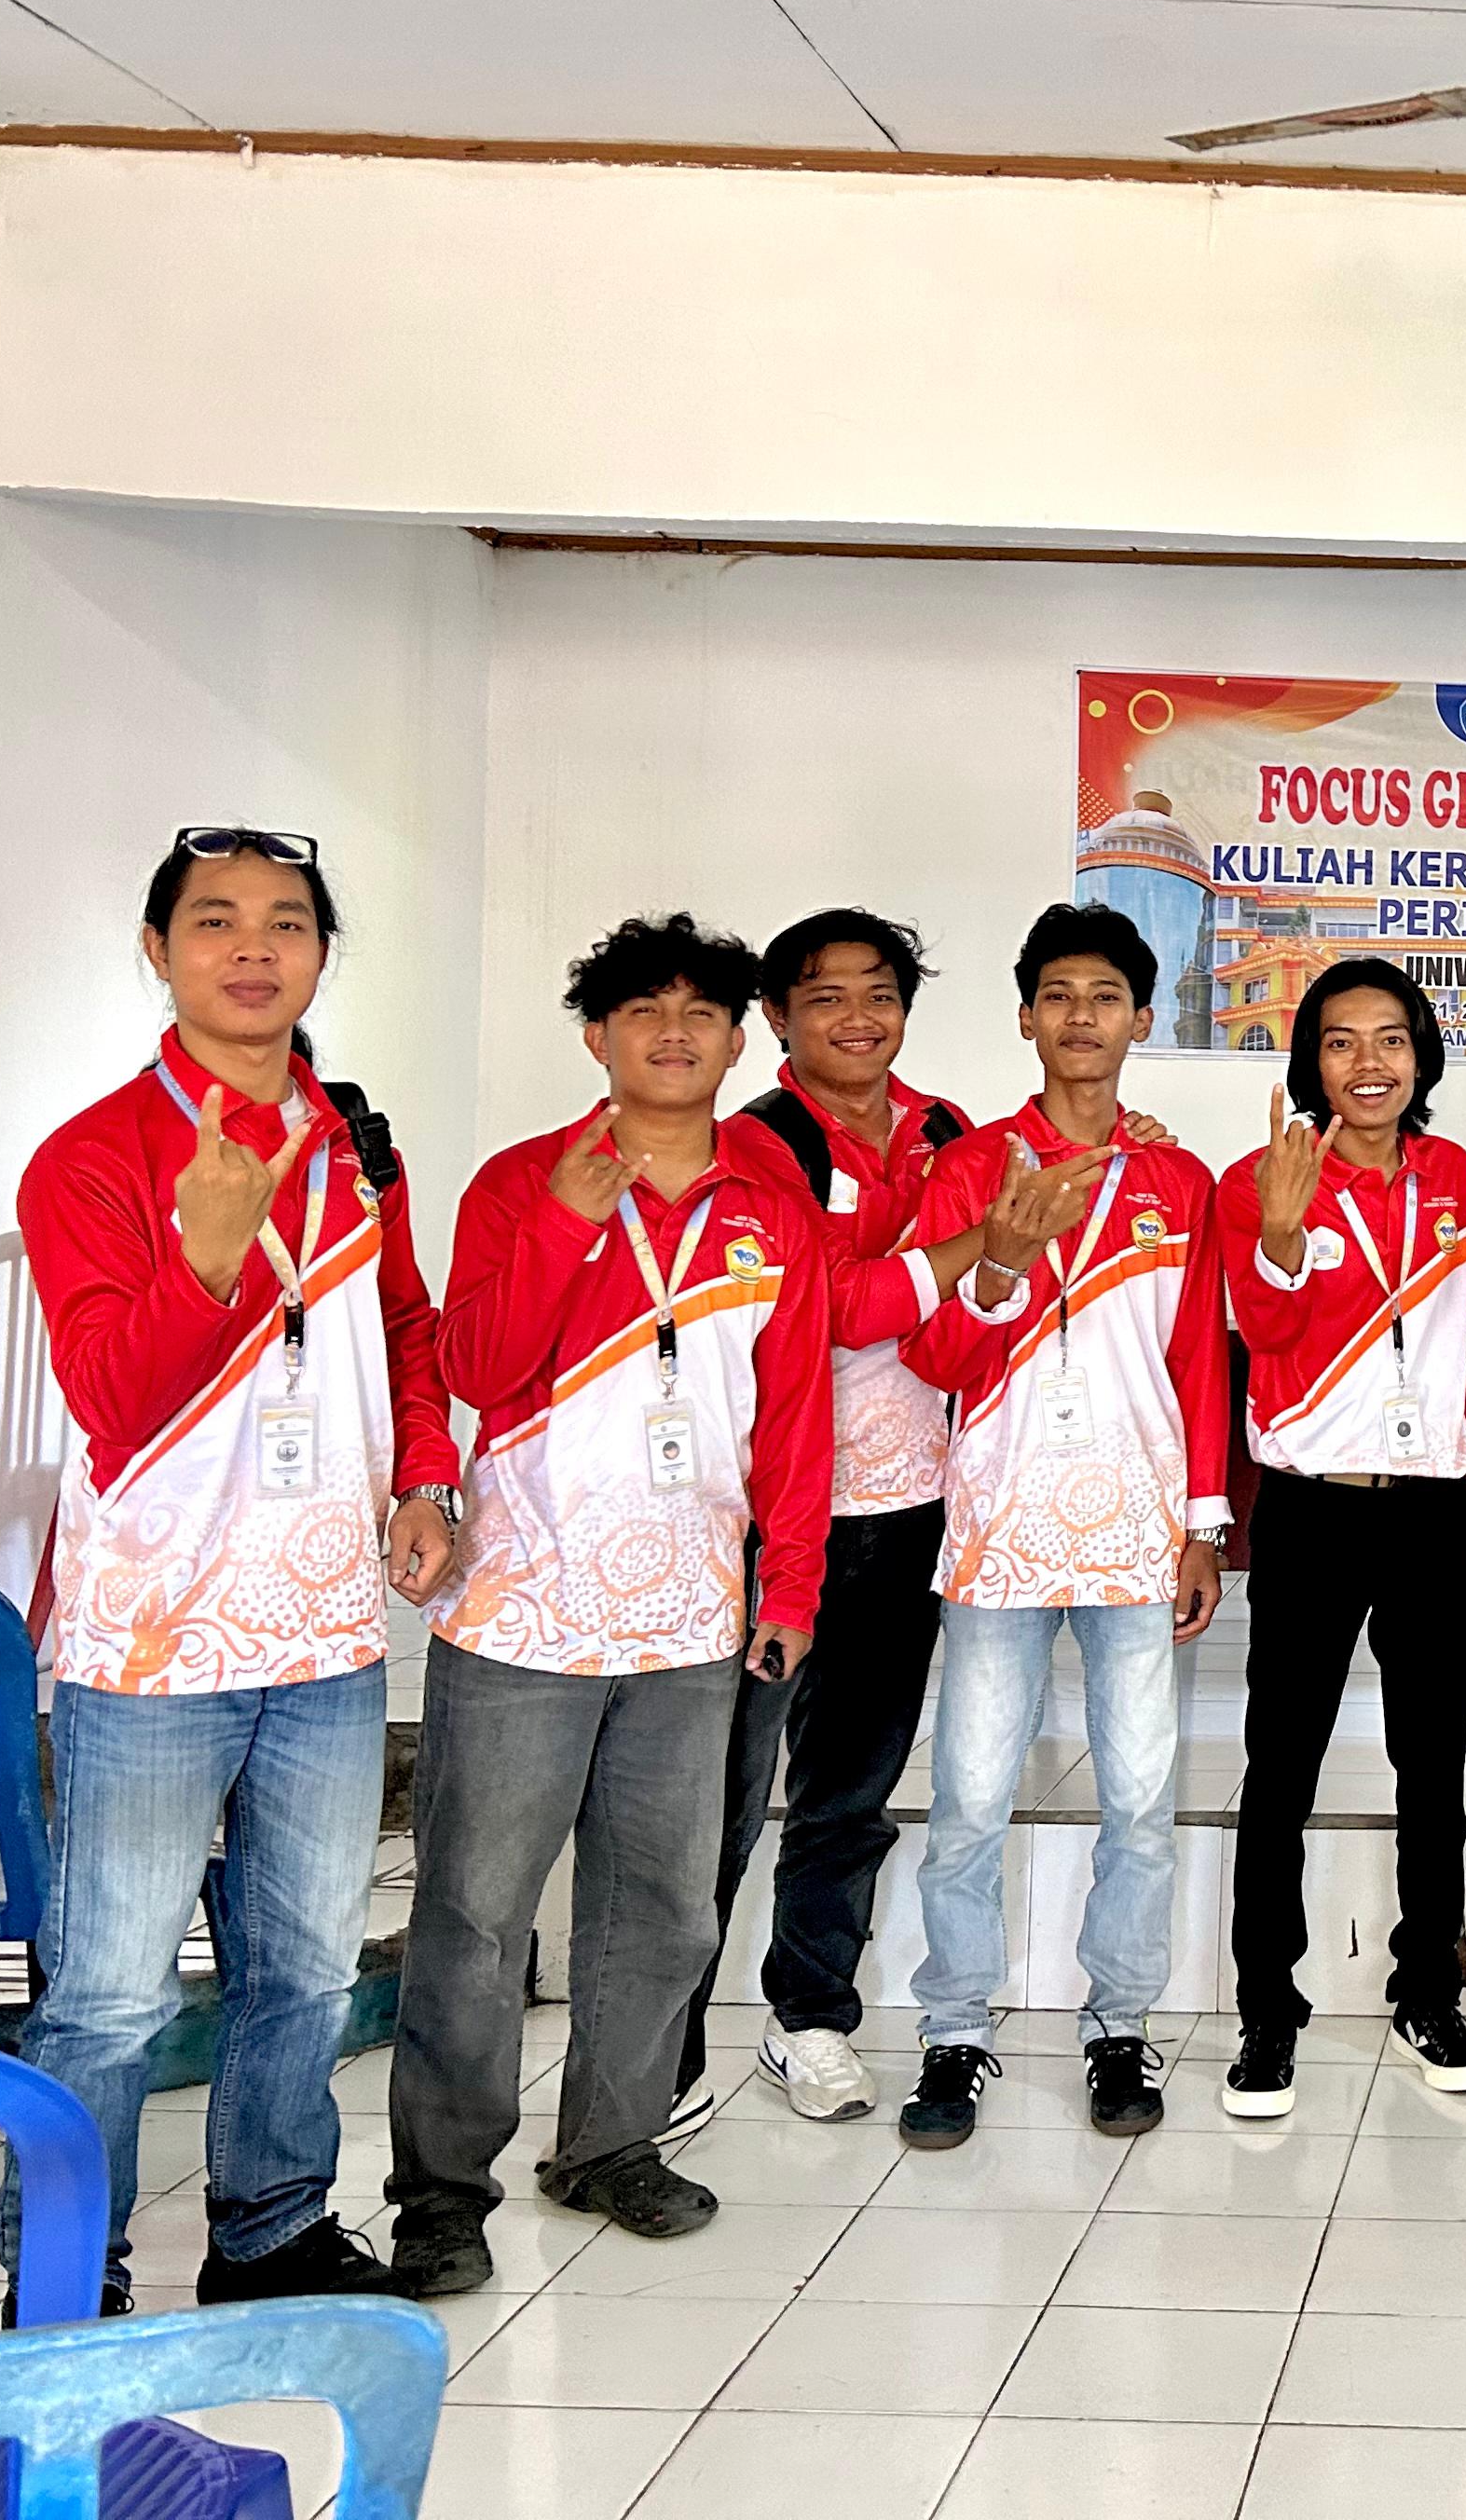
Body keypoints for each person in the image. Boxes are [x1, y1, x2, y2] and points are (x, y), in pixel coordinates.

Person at [12, 827, 459, 2313]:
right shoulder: (90, 1157)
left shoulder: (348, 1143)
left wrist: (424, 1470)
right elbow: (115, 1400)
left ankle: (270, 2235)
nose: (253, 946)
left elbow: (403, 1325)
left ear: (322, 956)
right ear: (158, 950)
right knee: (114, 1995)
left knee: (308, 1973)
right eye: (214, 921)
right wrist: (206, 1256)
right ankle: (70, 2277)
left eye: (286, 922)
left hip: (328, 1631)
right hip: (152, 1647)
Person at [387, 914, 833, 2295]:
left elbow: (797, 1414)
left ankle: (608, 2146)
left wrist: (794, 1584)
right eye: (645, 1011)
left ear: (741, 1038)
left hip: (692, 1621)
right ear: (597, 1035)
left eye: (705, 1012)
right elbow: (475, 1362)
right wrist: (571, 1234)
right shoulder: (528, 1183)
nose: (677, 1033)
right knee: (473, 1912)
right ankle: (442, 2191)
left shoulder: (770, 1207)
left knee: (661, 1909)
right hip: (521, 1611)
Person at [894, 902, 1231, 2145]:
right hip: (1001, 1531)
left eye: (1106, 996)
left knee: (1141, 1799)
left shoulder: (1178, 1179)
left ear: (1142, 1020)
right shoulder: (975, 1165)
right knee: (972, 1799)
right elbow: (931, 1346)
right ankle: (953, 2033)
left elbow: (1203, 1361)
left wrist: (1205, 1525)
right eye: (1059, 995)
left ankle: (1120, 2027)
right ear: (1027, 1016)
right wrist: (995, 1263)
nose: (1081, 1017)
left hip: (1141, 1537)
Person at [671, 910, 978, 2132]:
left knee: (852, 1789)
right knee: (718, 1795)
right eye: (824, 998)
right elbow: (830, 1307)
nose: (856, 1018)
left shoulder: (947, 1131)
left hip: (908, 1506)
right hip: (766, 1515)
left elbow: (1028, 1234)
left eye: (878, 994)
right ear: (779, 1020)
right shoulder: (752, 1147)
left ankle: (810, 2020)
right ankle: (665, 2036)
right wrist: (964, 1251)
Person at [1213, 957, 1466, 2122]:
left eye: (1390, 1039)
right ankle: (1264, 2009)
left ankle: (1425, 1992)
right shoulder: (1259, 1182)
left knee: (1428, 1766)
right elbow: (1272, 1338)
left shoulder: (1451, 1180)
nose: (1369, 1063)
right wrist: (1283, 1234)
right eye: (1342, 1042)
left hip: (1433, 1507)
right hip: (1314, 1507)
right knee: (1278, 1765)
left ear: (1421, 1055)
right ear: (1312, 1062)